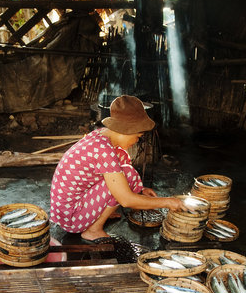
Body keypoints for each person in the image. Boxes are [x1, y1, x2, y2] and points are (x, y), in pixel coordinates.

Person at [50, 95, 193, 242]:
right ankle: (93, 230)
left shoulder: (101, 135)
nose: (137, 141)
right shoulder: (104, 151)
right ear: (126, 130)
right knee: (127, 175)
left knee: (123, 164)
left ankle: (98, 212)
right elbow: (126, 200)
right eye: (138, 136)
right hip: (71, 217)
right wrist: (169, 202)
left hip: (65, 210)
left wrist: (141, 190)